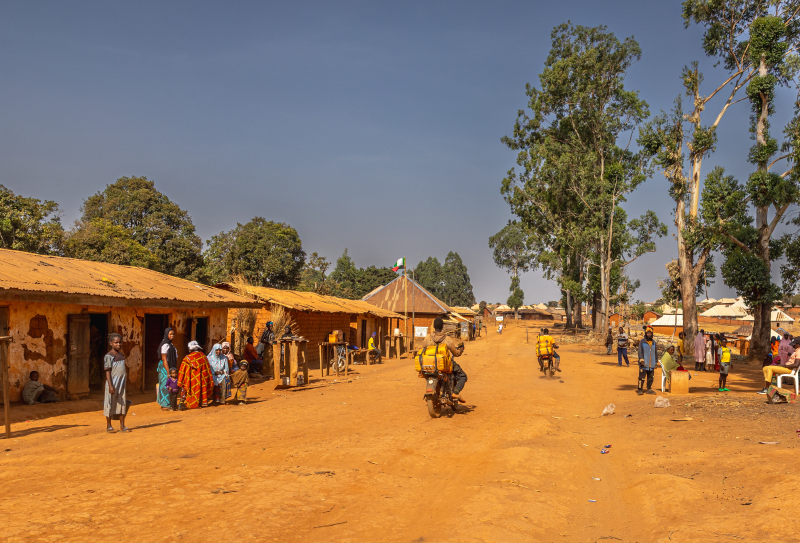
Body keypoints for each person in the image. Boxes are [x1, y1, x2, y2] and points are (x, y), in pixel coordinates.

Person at [418, 317, 467, 402]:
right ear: (442, 327)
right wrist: (461, 349)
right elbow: (456, 353)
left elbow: (422, 350)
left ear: (434, 327)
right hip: (444, 365)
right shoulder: (447, 339)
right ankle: (455, 392)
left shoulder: (427, 338)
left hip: (430, 365)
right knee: (463, 376)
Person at [104, 333, 130, 433]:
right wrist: (110, 385)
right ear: (111, 343)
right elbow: (107, 371)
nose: (118, 344)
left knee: (122, 403)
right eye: (116, 342)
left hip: (121, 383)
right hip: (113, 383)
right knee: (110, 403)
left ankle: (122, 426)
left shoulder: (121, 356)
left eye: (120, 342)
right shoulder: (108, 356)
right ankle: (109, 426)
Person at [177, 340, 214, 409]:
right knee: (200, 388)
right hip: (201, 379)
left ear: (190, 349)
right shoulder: (203, 356)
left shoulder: (187, 358)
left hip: (190, 379)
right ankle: (201, 402)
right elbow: (207, 370)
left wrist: (181, 379)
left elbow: (182, 369)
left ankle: (181, 403)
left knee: (185, 389)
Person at [157, 327, 178, 411]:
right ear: (166, 334)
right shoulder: (165, 345)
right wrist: (168, 371)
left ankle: (170, 403)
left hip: (170, 366)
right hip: (165, 367)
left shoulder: (171, 345)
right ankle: (164, 404)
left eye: (173, 334)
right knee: (165, 385)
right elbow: (164, 359)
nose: (172, 335)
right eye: (170, 334)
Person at [637, 329, 659, 396]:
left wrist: (655, 362)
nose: (649, 334)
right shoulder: (642, 342)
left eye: (650, 333)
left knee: (651, 377)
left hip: (651, 364)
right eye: (648, 333)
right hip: (644, 363)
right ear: (645, 334)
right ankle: (640, 390)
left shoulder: (654, 342)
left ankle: (649, 389)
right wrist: (641, 359)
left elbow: (655, 352)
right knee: (641, 378)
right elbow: (640, 351)